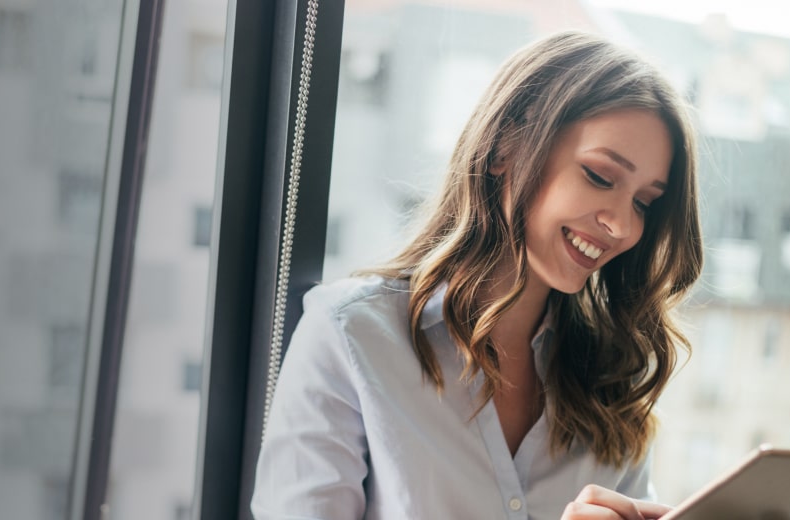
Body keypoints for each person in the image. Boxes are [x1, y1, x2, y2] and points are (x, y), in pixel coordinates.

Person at [251, 31, 702, 520]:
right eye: (599, 176)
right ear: (506, 146)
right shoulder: (350, 336)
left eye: (643, 203)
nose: (621, 225)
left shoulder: (614, 381)